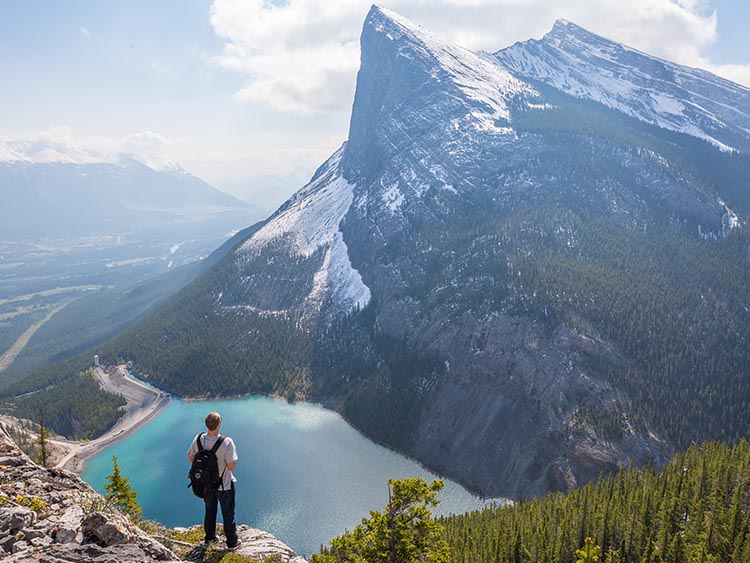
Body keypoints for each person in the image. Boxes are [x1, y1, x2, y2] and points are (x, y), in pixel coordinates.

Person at [187, 411, 240, 549]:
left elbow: (190, 458)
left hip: (206, 485)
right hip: (224, 485)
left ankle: (210, 538)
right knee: (228, 514)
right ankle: (232, 543)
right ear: (219, 425)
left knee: (210, 511)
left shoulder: (199, 439)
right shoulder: (226, 442)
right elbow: (231, 466)